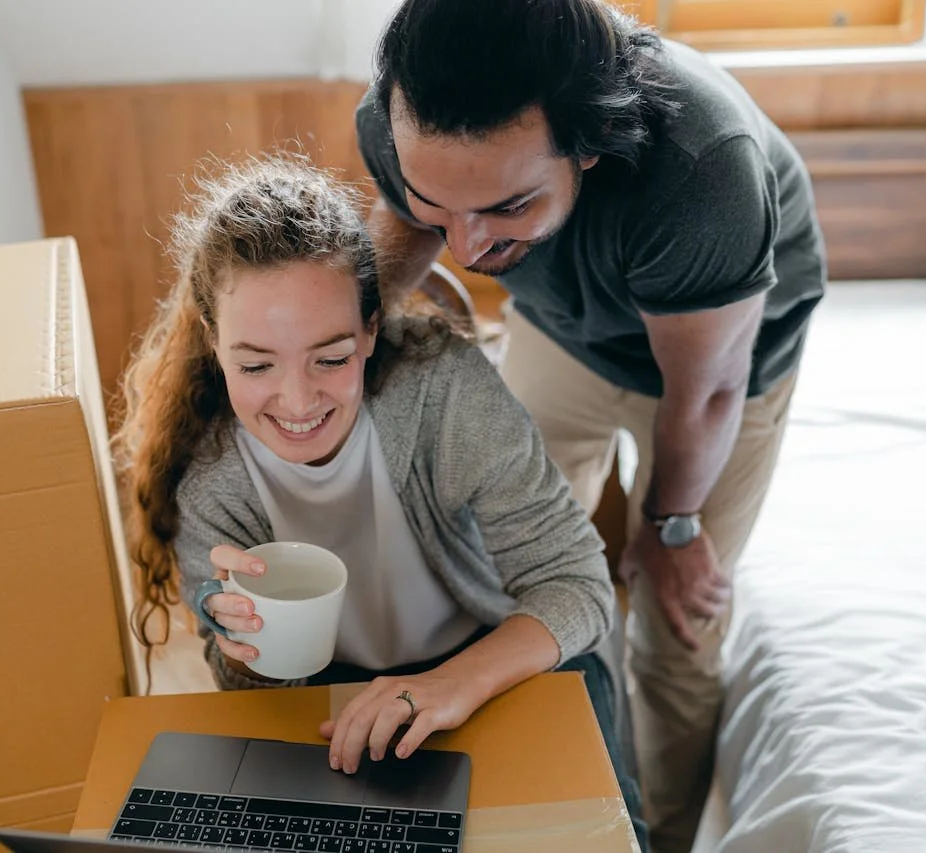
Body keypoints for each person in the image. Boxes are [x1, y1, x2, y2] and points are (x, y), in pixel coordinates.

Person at [353, 2, 827, 851]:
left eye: (504, 207)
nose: (464, 247)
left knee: (677, 625)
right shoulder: (399, 114)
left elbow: (709, 389)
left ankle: (660, 837)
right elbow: (408, 235)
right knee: (503, 579)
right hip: (565, 330)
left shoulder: (701, 164)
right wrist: (335, 345)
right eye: (440, 203)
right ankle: (533, 817)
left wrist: (671, 525)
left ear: (591, 146)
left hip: (723, 365)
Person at [112, 155, 648, 848]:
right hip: (341, 700)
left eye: (331, 357)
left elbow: (577, 585)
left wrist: (447, 685)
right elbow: (265, 704)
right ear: (214, 343)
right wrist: (244, 647)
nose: (299, 401)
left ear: (370, 328)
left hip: (498, 660)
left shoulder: (443, 394)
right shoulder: (210, 481)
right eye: (255, 365)